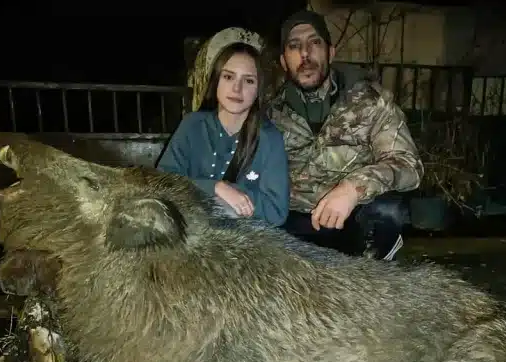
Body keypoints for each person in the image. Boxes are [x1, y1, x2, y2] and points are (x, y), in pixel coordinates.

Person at [268, 10, 424, 260]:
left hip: (353, 221)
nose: (305, 55)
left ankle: (374, 274)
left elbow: (408, 165)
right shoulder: (269, 115)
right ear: (284, 61)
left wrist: (353, 188)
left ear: (331, 52)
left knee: (387, 211)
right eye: (294, 46)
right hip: (292, 227)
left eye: (314, 43)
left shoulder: (372, 102)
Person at [157, 40, 290, 227]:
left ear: (258, 90)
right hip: (189, 230)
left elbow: (276, 211)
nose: (237, 88)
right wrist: (216, 188)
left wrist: (236, 195)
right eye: (228, 77)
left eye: (248, 80)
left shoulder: (269, 138)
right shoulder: (192, 125)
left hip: (243, 241)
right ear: (216, 81)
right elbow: (162, 181)